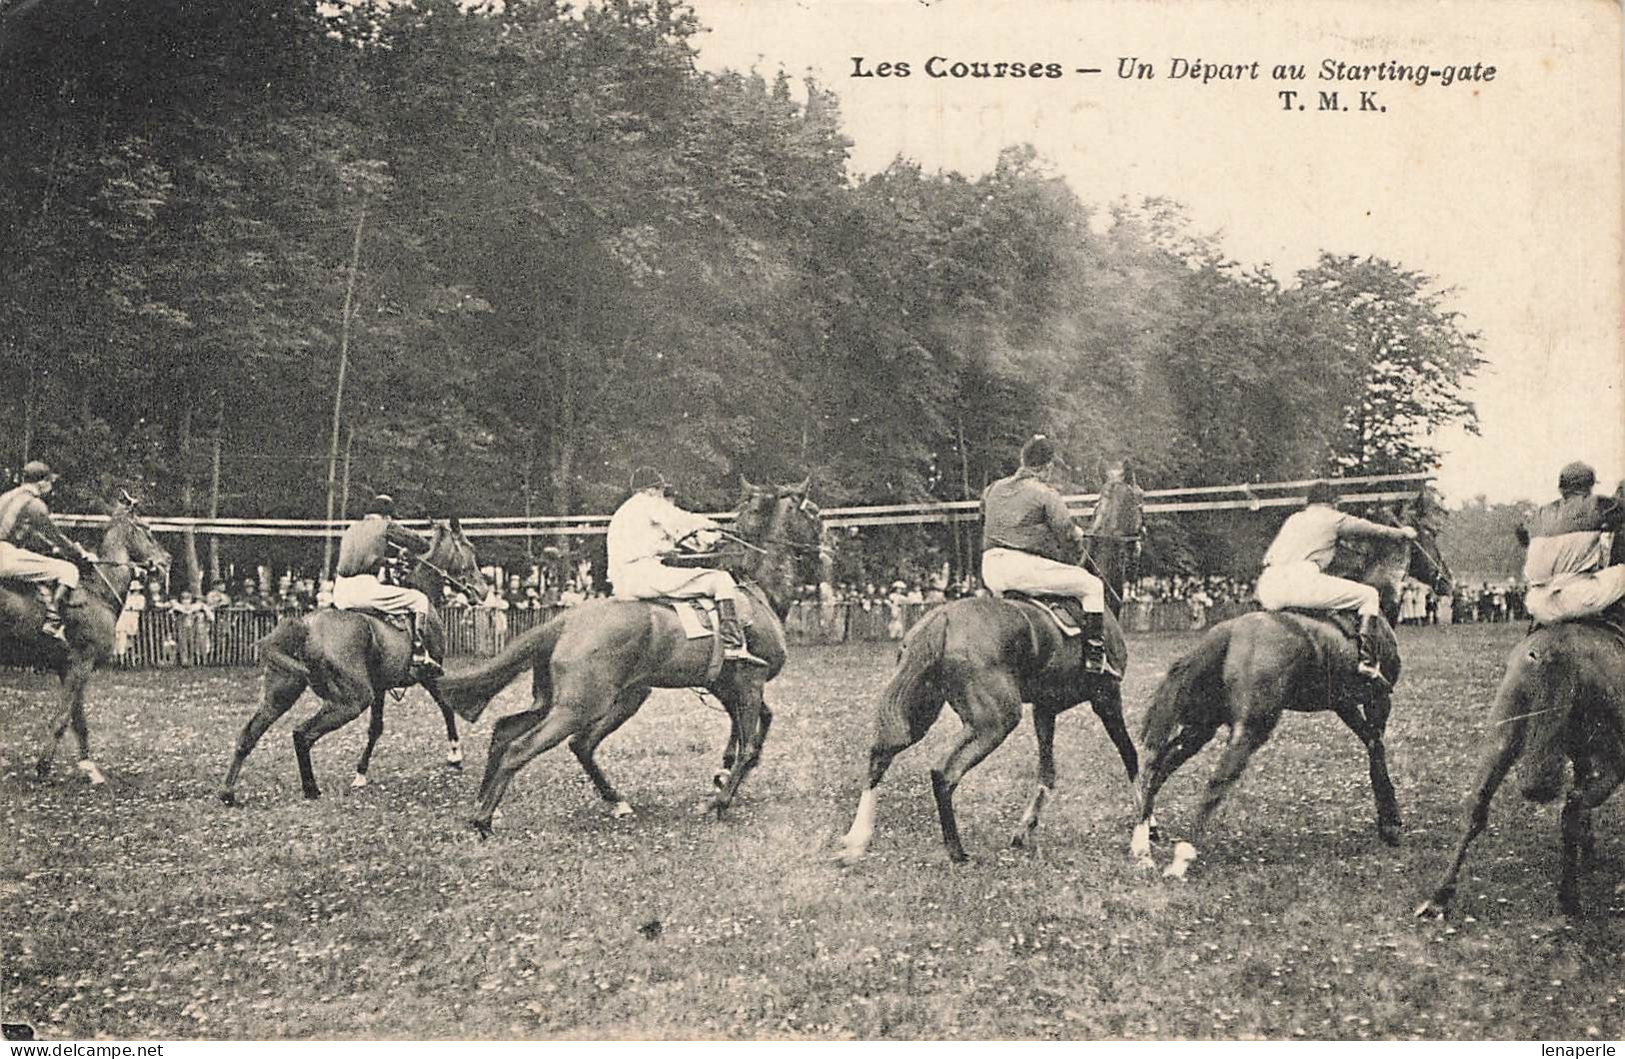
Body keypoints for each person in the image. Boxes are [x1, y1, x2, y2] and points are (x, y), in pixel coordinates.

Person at [1254, 480, 1417, 686]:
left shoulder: (1294, 519)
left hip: (1268, 585)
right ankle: (1368, 661)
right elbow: (1373, 530)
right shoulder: (1334, 518)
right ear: (1333, 502)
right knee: (1369, 595)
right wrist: (1403, 533)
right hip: (1300, 581)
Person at [606, 468, 765, 666]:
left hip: (623, 579)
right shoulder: (648, 503)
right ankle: (732, 644)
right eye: (661, 491)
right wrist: (711, 526)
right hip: (643, 575)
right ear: (651, 490)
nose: (662, 496)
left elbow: (664, 541)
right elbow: (681, 519)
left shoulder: (627, 511)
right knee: (720, 579)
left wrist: (705, 539)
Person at [979, 435, 1107, 672]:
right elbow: (1067, 535)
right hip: (1021, 569)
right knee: (1092, 586)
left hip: (990, 569)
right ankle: (1095, 654)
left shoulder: (992, 489)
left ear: (1022, 460)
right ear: (1048, 467)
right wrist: (1078, 549)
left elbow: (985, 520)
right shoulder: (1045, 493)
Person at [331, 493, 441, 678]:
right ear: (387, 515)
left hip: (340, 590)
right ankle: (419, 653)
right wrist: (404, 545)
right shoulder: (385, 525)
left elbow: (364, 560)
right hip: (365, 589)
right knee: (419, 599)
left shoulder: (351, 529)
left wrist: (388, 562)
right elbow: (422, 545)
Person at [1516, 461, 1625, 624]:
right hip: (1578, 599)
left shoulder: (1540, 513)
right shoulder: (1600, 505)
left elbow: (1521, 532)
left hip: (1537, 604)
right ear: (1590, 486)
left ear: (1561, 488)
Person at [0, 460, 97, 642]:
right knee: (68, 570)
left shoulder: (6, 497)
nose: (51, 488)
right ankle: (53, 619)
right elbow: (57, 537)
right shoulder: (35, 505)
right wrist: (80, 555)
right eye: (50, 482)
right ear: (41, 482)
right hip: (5, 554)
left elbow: (30, 535)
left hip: (7, 550)